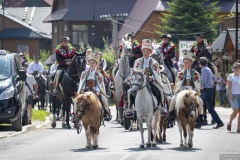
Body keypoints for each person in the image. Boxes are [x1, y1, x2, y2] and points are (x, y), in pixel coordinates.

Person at [126, 39, 164, 114]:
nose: (145, 53)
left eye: (147, 51)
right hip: (139, 82)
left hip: (151, 82)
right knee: (129, 91)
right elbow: (134, 72)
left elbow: (157, 73)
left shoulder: (154, 62)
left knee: (160, 89)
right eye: (144, 51)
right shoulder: (137, 62)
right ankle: (130, 108)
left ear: (150, 52)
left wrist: (152, 78)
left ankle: (162, 106)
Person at [169, 51, 203, 127]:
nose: (185, 64)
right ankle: (170, 114)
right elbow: (177, 83)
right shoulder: (180, 73)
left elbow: (197, 83)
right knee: (172, 99)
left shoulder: (195, 73)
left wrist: (195, 90)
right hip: (182, 91)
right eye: (184, 62)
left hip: (192, 91)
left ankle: (200, 117)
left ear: (191, 63)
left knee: (200, 101)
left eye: (187, 62)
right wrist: (179, 88)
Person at [77, 51, 112, 121]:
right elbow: (82, 83)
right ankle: (75, 114)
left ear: (96, 64)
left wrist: (98, 91)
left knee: (104, 99)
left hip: (95, 91)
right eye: (90, 63)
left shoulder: (99, 75)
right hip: (86, 90)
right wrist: (82, 89)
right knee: (76, 99)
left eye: (93, 63)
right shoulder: (84, 73)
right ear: (88, 63)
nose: (92, 64)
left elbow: (99, 84)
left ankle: (106, 112)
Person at [199, 57, 224, 129]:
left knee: (210, 108)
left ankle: (219, 122)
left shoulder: (203, 70)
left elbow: (203, 81)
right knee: (203, 106)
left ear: (201, 63)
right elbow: (214, 78)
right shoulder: (209, 69)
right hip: (210, 90)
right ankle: (199, 121)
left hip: (206, 90)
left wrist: (197, 86)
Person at [227, 62, 240, 133]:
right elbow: (229, 87)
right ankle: (230, 122)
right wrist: (230, 95)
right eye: (235, 67)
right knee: (235, 110)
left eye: (237, 67)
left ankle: (239, 128)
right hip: (234, 95)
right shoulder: (230, 76)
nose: (236, 69)